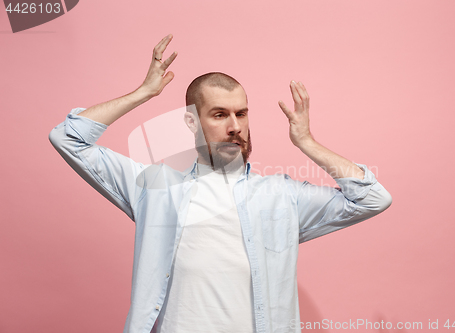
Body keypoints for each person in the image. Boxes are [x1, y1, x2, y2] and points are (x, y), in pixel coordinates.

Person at [49, 34, 392, 333]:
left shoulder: (281, 195)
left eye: (241, 114)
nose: (234, 126)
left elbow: (372, 198)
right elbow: (68, 138)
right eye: (219, 114)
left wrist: (307, 142)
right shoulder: (154, 188)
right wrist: (143, 93)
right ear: (191, 121)